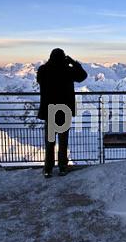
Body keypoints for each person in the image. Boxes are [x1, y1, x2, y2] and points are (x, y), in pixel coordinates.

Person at [37, 48, 88, 178]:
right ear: (63, 57)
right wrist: (73, 62)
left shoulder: (43, 70)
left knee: (50, 142)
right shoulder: (68, 70)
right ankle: (62, 167)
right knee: (63, 141)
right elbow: (83, 76)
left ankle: (48, 169)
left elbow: (39, 80)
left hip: (50, 110)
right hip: (64, 110)